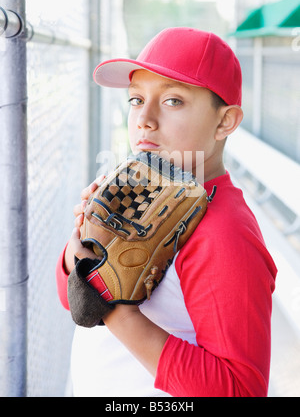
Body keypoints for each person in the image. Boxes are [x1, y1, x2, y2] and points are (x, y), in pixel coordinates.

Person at [56, 27, 277, 397]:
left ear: (225, 121)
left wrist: (118, 312)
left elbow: (240, 389)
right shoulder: (133, 189)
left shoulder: (224, 232)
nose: (145, 119)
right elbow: (73, 303)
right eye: (136, 99)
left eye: (173, 100)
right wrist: (79, 251)